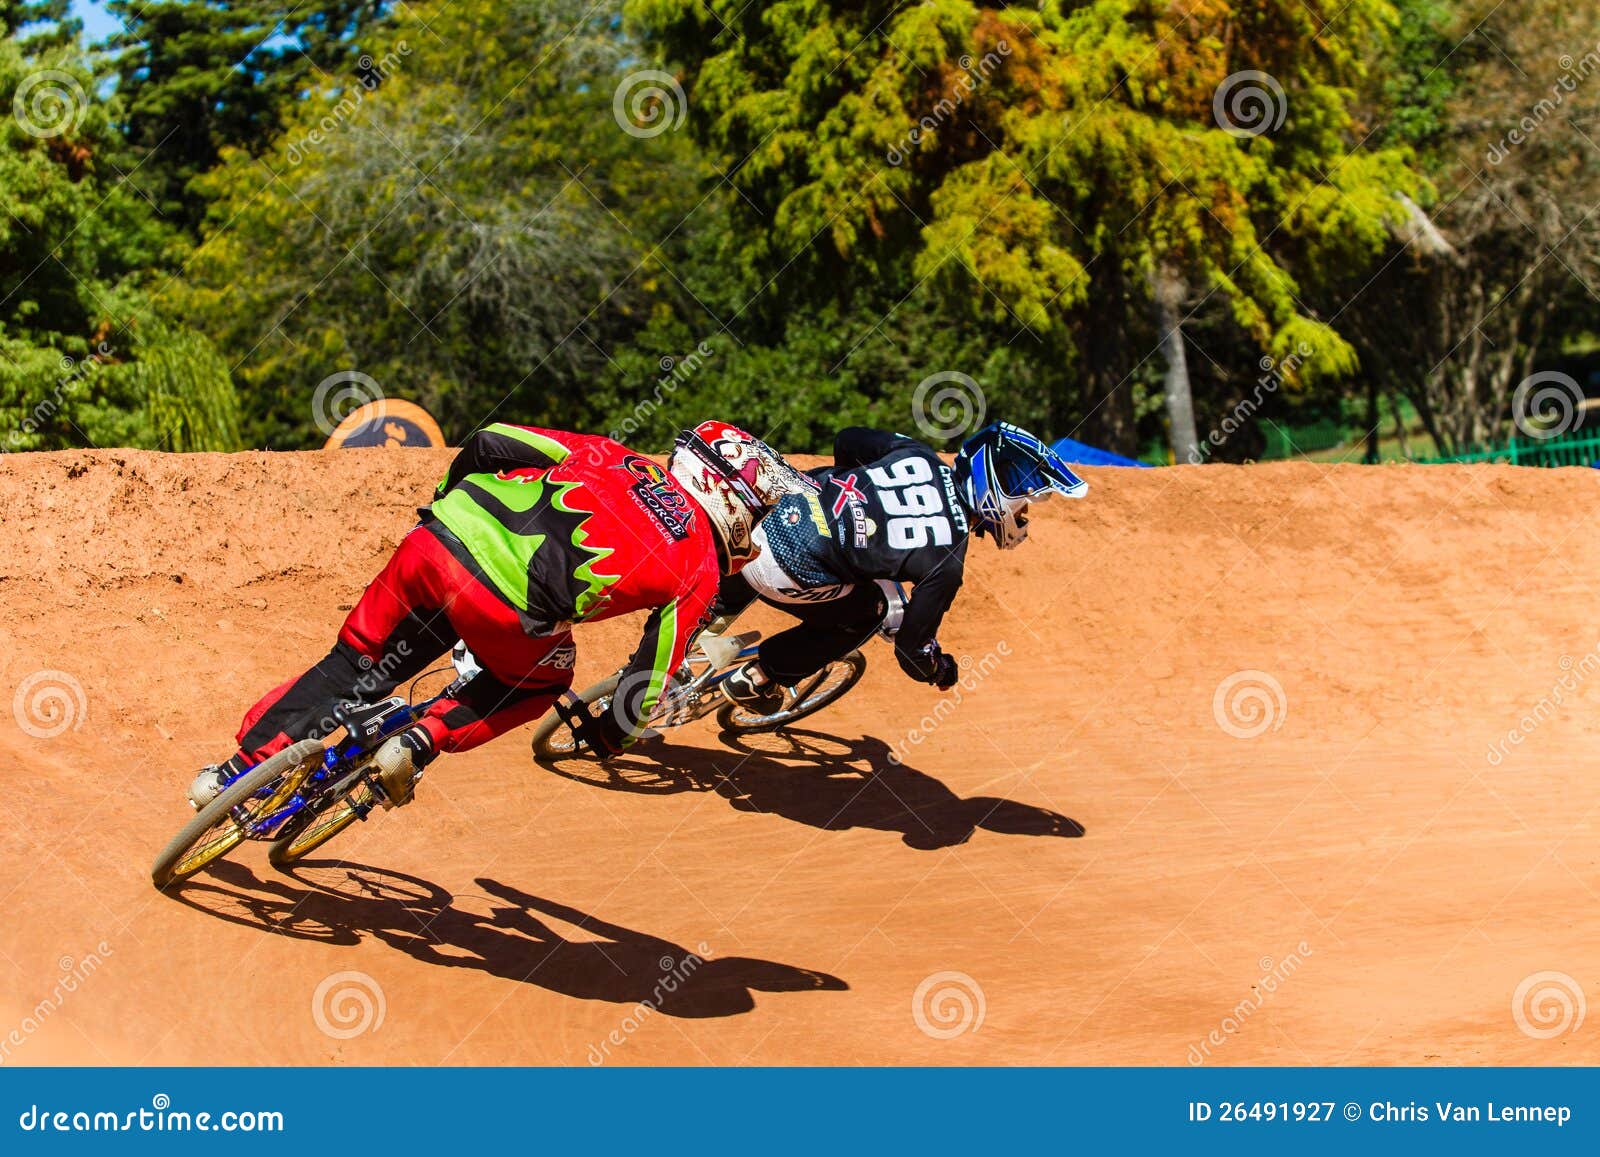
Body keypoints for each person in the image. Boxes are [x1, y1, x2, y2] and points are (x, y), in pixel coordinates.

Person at [187, 420, 809, 809]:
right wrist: (611, 737)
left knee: (353, 665)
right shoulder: (701, 565)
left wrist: (444, 501)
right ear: (735, 501)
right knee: (544, 680)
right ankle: (420, 738)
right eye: (758, 511)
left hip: (436, 543)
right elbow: (651, 675)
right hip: (507, 611)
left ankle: (228, 776)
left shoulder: (614, 455)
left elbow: (489, 440)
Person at [716, 422, 1087, 713]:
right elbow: (911, 651)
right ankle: (759, 678)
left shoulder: (918, 454)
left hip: (756, 519)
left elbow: (848, 439)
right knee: (870, 612)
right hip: (781, 571)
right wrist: (938, 669)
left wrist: (854, 503)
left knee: (798, 533)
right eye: (1025, 504)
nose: (1024, 514)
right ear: (998, 496)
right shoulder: (946, 562)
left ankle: (709, 611)